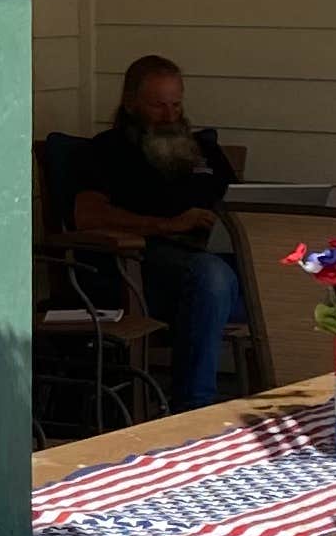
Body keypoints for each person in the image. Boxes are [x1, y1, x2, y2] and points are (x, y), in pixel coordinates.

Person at [67, 55, 245, 412]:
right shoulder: (108, 150)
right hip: (144, 263)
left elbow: (236, 202)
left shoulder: (203, 150)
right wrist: (170, 224)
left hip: (214, 253)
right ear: (130, 103)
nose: (169, 115)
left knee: (285, 268)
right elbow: (86, 215)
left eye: (176, 104)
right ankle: (194, 409)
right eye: (158, 105)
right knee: (213, 276)